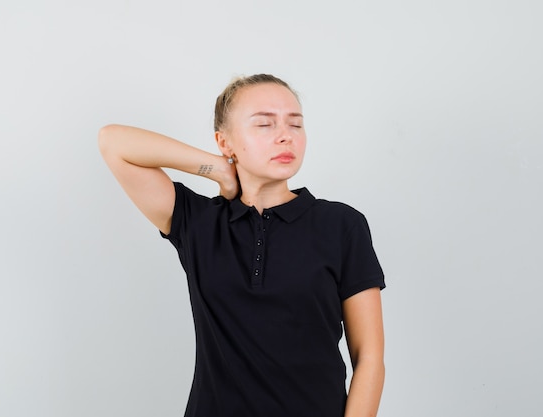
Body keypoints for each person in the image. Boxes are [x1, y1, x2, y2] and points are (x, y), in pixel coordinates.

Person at [98, 74, 385, 417]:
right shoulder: (198, 222)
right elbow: (112, 142)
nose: (285, 136)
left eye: (295, 125)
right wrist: (217, 169)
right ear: (225, 141)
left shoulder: (341, 225)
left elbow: (368, 356)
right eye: (264, 124)